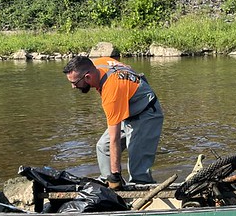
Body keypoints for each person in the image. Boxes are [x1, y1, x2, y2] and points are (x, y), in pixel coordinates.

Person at [63, 55, 163, 189]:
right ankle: (108, 184)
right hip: (126, 110)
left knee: (138, 170)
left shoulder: (111, 94)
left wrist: (116, 173)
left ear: (87, 77)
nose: (73, 87)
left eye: (75, 83)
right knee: (103, 147)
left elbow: (114, 138)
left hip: (146, 114)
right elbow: (127, 67)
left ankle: (141, 193)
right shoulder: (98, 63)